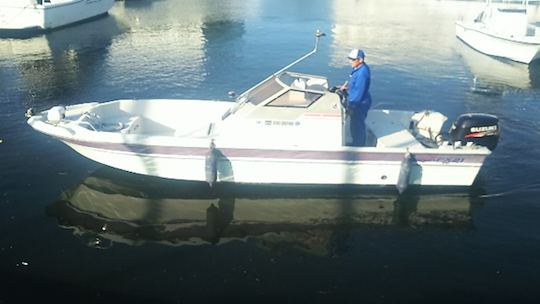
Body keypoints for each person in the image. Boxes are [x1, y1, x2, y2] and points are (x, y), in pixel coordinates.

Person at [342, 48, 372, 146]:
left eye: (353, 59)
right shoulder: (358, 68)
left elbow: (359, 91)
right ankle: (356, 142)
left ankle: (359, 146)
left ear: (360, 60)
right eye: (350, 59)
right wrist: (347, 87)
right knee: (354, 124)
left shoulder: (362, 73)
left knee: (357, 125)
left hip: (360, 103)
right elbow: (356, 86)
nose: (350, 61)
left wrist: (352, 106)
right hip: (359, 100)